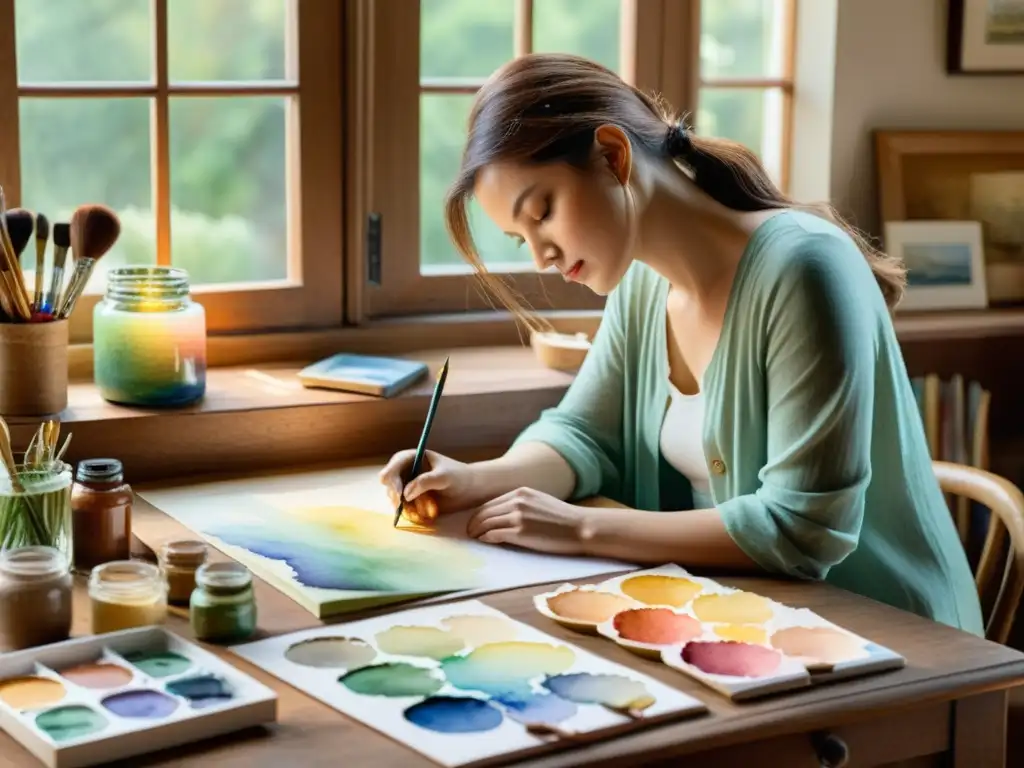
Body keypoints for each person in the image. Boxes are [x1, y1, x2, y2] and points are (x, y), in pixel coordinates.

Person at [380, 53, 984, 636]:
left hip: (889, 635)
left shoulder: (804, 268)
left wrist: (581, 529)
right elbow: (584, 433)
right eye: (521, 239)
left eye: (542, 212)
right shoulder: (642, 284)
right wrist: (479, 479)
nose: (542, 256)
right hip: (746, 616)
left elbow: (803, 531)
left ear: (614, 156)